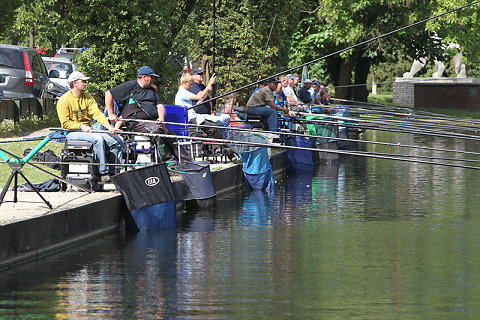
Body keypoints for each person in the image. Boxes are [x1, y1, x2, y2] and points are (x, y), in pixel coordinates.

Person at [105, 66, 191, 163]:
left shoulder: (152, 90)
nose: (153, 80)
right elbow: (108, 94)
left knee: (169, 134)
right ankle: (166, 161)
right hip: (135, 121)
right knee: (157, 131)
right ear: (145, 77)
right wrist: (111, 113)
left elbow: (160, 106)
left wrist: (161, 118)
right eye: (152, 77)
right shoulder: (130, 86)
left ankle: (186, 161)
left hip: (152, 121)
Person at [57, 71, 124, 182]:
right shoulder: (63, 100)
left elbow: (97, 114)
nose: (86, 84)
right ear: (75, 83)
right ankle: (102, 173)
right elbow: (65, 123)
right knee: (97, 139)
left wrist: (109, 127)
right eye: (83, 81)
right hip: (72, 132)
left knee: (118, 140)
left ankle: (114, 172)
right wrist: (81, 126)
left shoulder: (88, 97)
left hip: (89, 130)